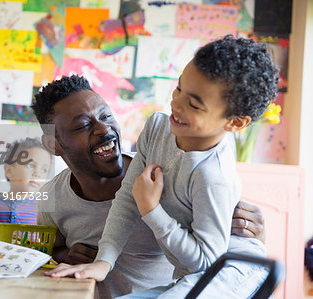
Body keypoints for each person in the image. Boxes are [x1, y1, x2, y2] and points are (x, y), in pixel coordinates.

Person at [32, 74, 267, 298]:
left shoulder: (168, 175)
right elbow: (48, 251)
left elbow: (219, 258)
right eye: (83, 125)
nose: (104, 130)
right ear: (54, 144)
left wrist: (256, 234)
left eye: (105, 116)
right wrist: (68, 255)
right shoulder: (52, 198)